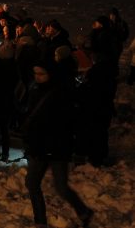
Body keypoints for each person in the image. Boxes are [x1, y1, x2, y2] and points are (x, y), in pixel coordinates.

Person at [23, 61, 94, 228]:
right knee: (32, 183)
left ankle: (83, 211)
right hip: (39, 147)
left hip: (56, 148)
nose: (37, 77)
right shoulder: (35, 90)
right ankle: (40, 220)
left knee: (61, 187)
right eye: (36, 73)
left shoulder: (61, 94)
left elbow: (67, 123)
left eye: (42, 74)